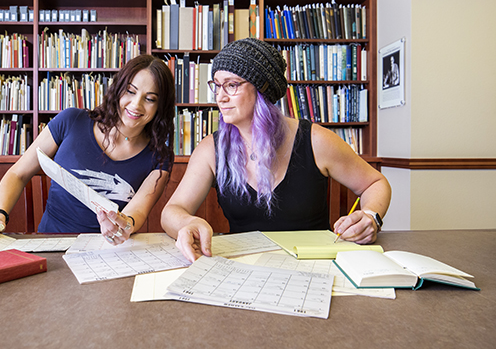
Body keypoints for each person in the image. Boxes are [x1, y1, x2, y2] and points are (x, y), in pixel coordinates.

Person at [161, 38, 391, 262]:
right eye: (217, 86)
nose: (220, 97)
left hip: (314, 266)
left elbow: (375, 183)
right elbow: (172, 210)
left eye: (231, 85)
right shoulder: (211, 149)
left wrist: (371, 217)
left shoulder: (316, 140)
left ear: (263, 88)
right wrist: (186, 223)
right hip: (243, 269)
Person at [0, 54, 176, 244]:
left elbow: (137, 211)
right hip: (50, 244)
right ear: (118, 89)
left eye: (150, 99)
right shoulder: (71, 121)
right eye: (130, 91)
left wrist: (123, 225)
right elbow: (18, 173)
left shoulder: (160, 156)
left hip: (108, 252)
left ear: (160, 107)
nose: (136, 104)